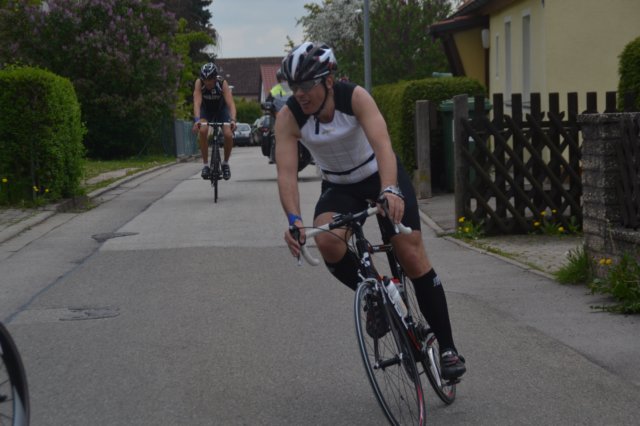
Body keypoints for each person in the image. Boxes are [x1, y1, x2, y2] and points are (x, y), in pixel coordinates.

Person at [275, 42, 466, 380]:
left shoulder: (355, 98)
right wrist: (294, 220)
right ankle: (377, 293)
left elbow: (383, 146)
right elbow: (287, 173)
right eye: (294, 86)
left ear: (328, 81)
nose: (299, 93)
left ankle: (448, 348)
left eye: (306, 85)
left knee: (410, 252)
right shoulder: (289, 117)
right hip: (339, 186)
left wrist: (390, 189)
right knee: (327, 241)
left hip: (379, 174)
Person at [192, 62, 237, 180]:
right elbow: (197, 102)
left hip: (221, 110)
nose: (207, 82)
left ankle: (225, 163)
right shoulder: (199, 83)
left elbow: (230, 103)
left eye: (210, 80)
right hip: (206, 111)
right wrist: (197, 120)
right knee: (203, 130)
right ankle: (206, 165)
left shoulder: (222, 83)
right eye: (205, 79)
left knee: (228, 134)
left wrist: (233, 120)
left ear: (215, 78)